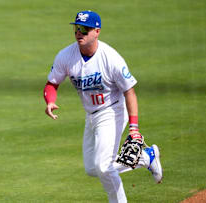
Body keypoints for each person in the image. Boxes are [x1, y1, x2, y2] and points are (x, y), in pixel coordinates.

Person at [43, 10, 163, 203]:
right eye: (76, 28)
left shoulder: (111, 58)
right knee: (92, 169)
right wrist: (49, 100)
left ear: (97, 31)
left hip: (113, 110)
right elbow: (52, 84)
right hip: (91, 115)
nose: (79, 33)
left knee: (103, 166)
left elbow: (129, 91)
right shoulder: (66, 56)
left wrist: (134, 128)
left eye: (84, 29)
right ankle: (145, 158)